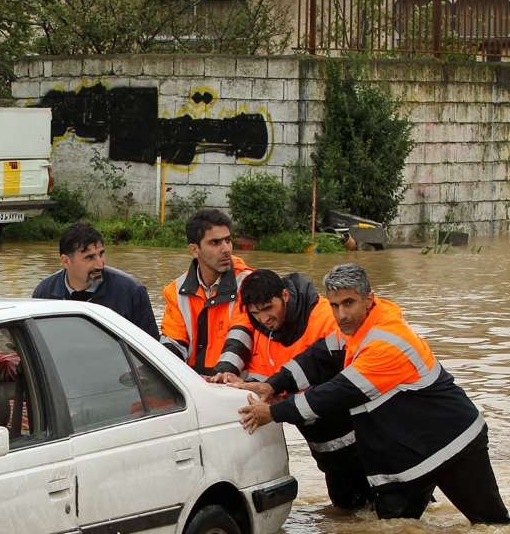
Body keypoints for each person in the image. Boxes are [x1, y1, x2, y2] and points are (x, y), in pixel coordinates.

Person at [236, 263, 510, 524]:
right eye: (334, 305)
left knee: (492, 526)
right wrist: (274, 384)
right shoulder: (356, 329)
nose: (341, 314)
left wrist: (273, 412)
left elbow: (336, 393)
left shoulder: (384, 343)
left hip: (455, 445)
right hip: (410, 457)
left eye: (349, 303)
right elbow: (318, 357)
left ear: (368, 299)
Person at [222, 269, 371, 510]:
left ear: (285, 296)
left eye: (268, 308)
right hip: (325, 445)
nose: (264, 318)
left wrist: (276, 409)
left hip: (363, 439)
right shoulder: (262, 330)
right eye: (256, 313)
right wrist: (240, 383)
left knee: (389, 509)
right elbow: (267, 372)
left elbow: (339, 382)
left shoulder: (327, 318)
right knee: (347, 512)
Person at [161, 208, 254, 375]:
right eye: (215, 243)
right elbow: (173, 343)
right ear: (194, 250)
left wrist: (222, 375)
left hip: (234, 381)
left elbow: (242, 334)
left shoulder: (248, 283)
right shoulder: (176, 290)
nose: (226, 249)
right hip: (193, 380)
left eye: (228, 240)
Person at [32, 221, 159, 339]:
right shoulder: (44, 293)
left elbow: (150, 347)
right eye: (89, 257)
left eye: (101, 254)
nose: (100, 264)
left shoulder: (132, 292)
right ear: (66, 261)